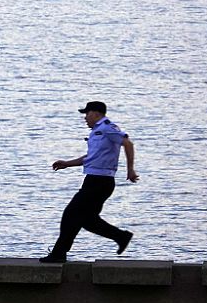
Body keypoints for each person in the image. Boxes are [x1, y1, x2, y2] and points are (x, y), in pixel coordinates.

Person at [40, 101, 139, 263]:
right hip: (93, 180)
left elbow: (128, 143)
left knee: (71, 214)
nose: (85, 118)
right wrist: (67, 164)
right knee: (86, 220)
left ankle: (59, 253)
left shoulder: (107, 128)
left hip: (101, 182)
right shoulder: (96, 132)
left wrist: (130, 169)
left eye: (87, 114)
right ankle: (121, 237)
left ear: (96, 113)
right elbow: (90, 158)